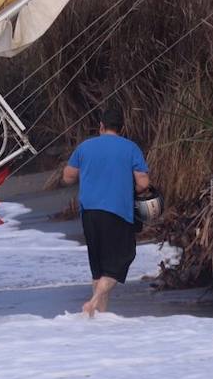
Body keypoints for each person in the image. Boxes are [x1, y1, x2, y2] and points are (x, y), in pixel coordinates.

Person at [61, 102, 150, 317]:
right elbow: (144, 183)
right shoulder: (130, 148)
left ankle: (98, 318)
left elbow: (67, 176)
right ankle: (92, 302)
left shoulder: (84, 147)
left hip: (89, 213)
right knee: (121, 260)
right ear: (121, 127)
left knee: (98, 267)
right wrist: (129, 189)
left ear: (101, 126)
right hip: (118, 212)